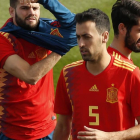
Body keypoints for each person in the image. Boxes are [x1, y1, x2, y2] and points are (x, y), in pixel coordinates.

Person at [53, 8, 140, 140]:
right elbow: (63, 126)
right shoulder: (68, 74)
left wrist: (110, 137)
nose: (81, 44)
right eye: (78, 37)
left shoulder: (130, 74)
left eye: (87, 37)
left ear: (104, 36)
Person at [0, 0, 77, 139]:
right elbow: (30, 76)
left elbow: (74, 24)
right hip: (12, 131)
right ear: (12, 11)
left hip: (47, 127)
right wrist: (61, 48)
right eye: (24, 8)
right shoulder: (3, 40)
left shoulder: (45, 31)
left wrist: (47, 1)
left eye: (35, 8)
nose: (31, 13)